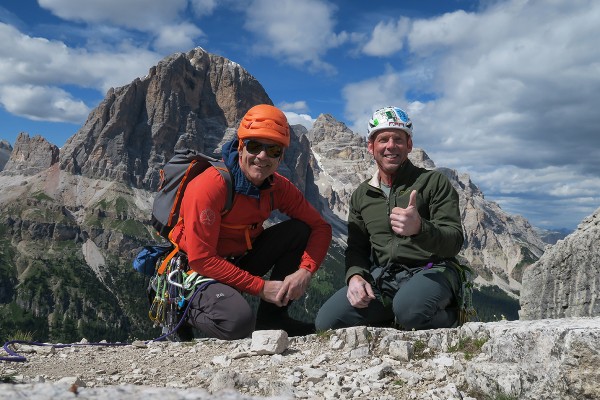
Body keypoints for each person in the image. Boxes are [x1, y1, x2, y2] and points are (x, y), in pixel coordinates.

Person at [170, 104, 332, 340]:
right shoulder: (210, 185)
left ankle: (273, 319)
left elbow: (321, 227)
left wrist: (305, 272)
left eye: (273, 150)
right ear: (240, 146)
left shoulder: (279, 187)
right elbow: (202, 258)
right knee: (238, 324)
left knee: (299, 229)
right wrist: (262, 288)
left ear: (281, 156)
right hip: (197, 269)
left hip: (238, 258)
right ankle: (182, 309)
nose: (263, 157)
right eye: (254, 146)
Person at [315, 106, 464, 331]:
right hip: (386, 277)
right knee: (327, 322)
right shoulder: (362, 195)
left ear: (409, 145)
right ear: (371, 146)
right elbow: (357, 248)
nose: (391, 146)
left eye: (398, 139)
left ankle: (454, 318)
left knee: (410, 312)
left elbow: (454, 241)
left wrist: (420, 228)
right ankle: (394, 316)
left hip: (434, 270)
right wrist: (355, 276)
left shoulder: (433, 182)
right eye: (383, 139)